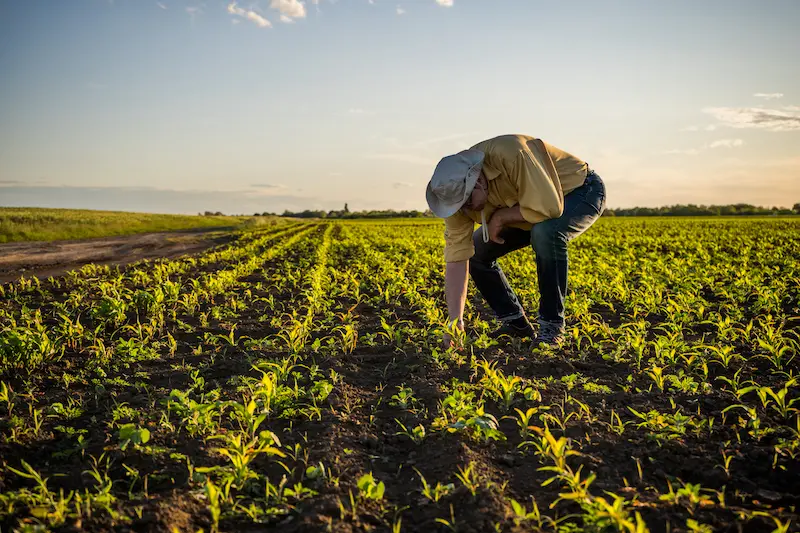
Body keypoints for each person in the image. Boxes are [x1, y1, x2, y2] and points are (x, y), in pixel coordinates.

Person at [425, 134, 606, 346]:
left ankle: (552, 326)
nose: (464, 211)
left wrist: (502, 217)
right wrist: (455, 321)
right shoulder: (454, 194)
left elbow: (549, 207)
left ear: (479, 182)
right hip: (527, 209)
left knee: (546, 232)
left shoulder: (513, 154)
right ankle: (515, 323)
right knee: (477, 251)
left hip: (577, 192)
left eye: (466, 203)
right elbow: (457, 256)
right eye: (458, 207)